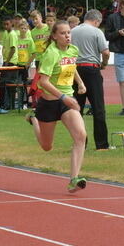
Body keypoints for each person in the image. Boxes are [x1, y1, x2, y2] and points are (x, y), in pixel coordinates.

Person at [26, 21, 88, 193]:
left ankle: (74, 179)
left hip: (67, 101)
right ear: (54, 35)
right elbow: (42, 82)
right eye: (63, 33)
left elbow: (71, 66)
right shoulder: (50, 54)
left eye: (69, 32)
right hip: (49, 103)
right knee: (47, 146)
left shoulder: (73, 50)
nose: (67, 36)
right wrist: (62, 97)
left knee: (81, 136)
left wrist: (80, 83)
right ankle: (33, 118)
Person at [71, 9, 111, 149]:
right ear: (97, 21)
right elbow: (105, 52)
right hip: (92, 69)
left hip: (75, 71)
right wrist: (104, 64)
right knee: (98, 108)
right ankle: (101, 144)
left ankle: (80, 143)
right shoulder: (96, 31)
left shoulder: (73, 31)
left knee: (77, 109)